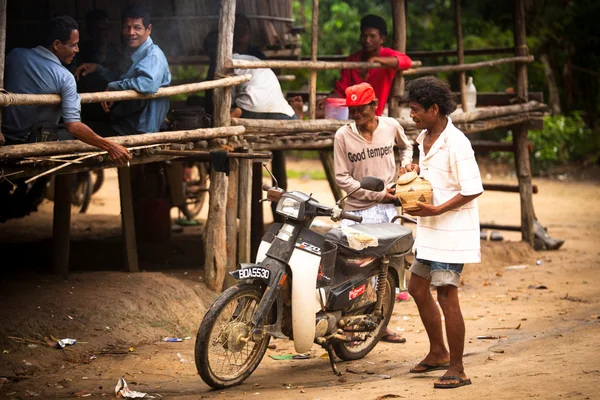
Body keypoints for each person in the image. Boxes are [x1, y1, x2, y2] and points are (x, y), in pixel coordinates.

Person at [402, 76, 483, 389]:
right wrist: (414, 172)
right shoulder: (424, 137)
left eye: (416, 109)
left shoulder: (457, 143)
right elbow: (432, 175)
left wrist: (437, 210)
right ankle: (438, 351)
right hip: (430, 230)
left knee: (447, 294)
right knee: (417, 288)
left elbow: (472, 189)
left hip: (451, 231)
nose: (412, 115)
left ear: (434, 109)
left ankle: (457, 368)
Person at [333, 82, 412, 343]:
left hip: (388, 209)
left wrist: (408, 165)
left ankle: (382, 323)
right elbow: (342, 178)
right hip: (358, 212)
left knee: (385, 270)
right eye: (352, 109)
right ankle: (349, 326)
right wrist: (376, 194)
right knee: (355, 270)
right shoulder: (343, 136)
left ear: (374, 105)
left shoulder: (391, 126)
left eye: (361, 108)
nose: (356, 114)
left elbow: (406, 146)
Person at [1, 15, 131, 163]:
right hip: (30, 144)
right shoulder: (64, 77)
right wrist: (110, 146)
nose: (77, 49)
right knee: (74, 142)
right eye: (73, 45)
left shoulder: (15, 55)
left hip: (4, 136)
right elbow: (74, 126)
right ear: (56, 44)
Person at [75, 4, 171, 135]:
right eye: (127, 27)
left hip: (141, 130)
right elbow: (123, 80)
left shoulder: (153, 55)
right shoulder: (133, 53)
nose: (131, 33)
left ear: (148, 29)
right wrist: (98, 68)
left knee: (81, 135)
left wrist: (114, 87)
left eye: (137, 28)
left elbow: (147, 84)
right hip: (126, 125)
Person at [330, 15, 413, 116]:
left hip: (372, 114)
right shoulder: (352, 59)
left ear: (382, 39)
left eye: (372, 36)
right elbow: (341, 89)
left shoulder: (387, 55)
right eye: (364, 36)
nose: (367, 40)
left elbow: (407, 61)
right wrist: (328, 101)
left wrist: (375, 60)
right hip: (349, 111)